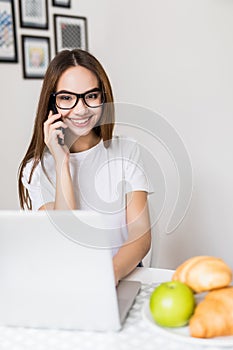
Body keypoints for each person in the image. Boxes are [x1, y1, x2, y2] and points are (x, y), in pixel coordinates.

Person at [18, 49, 152, 285]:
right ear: (52, 103)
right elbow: (64, 238)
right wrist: (62, 162)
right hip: (70, 280)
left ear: (103, 97)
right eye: (67, 98)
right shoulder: (36, 169)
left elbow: (140, 233)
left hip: (122, 275)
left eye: (91, 96)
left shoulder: (127, 151)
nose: (81, 109)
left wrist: (111, 274)